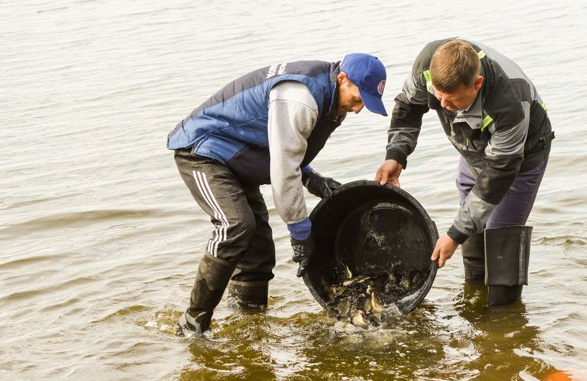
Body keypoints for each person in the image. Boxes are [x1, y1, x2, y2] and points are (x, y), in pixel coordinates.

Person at [168, 53, 388, 335]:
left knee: (259, 252)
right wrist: (300, 233)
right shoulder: (300, 98)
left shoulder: (330, 97)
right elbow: (283, 173)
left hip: (239, 158)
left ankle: (248, 326)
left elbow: (284, 142)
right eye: (358, 100)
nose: (358, 110)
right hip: (203, 153)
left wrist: (311, 177)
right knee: (235, 226)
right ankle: (192, 324)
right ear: (343, 79)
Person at [375, 39, 553, 303]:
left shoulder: (509, 104)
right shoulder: (427, 64)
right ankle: (475, 300)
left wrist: (454, 235)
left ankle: (502, 320)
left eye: (454, 99)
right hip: (473, 147)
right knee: (474, 240)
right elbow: (408, 108)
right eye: (439, 95)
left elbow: (497, 174)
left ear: (477, 84)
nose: (444, 105)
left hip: (519, 157)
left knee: (499, 235)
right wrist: (396, 155)